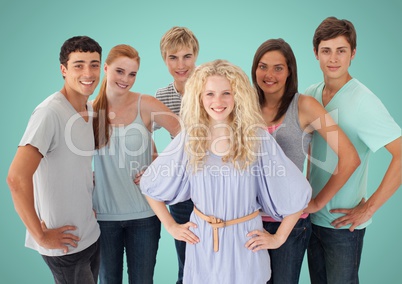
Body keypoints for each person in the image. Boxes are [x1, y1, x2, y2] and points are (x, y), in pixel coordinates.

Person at [140, 59, 312, 283]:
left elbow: (297, 193)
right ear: (200, 98)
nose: (218, 101)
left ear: (237, 96)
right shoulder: (190, 138)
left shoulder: (256, 138)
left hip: (245, 243)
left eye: (226, 93)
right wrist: (171, 226)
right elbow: (150, 185)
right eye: (209, 94)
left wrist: (278, 238)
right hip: (203, 244)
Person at [248, 38, 360, 284]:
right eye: (263, 66)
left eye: (279, 67)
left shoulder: (305, 106)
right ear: (254, 68)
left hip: (288, 226)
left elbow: (350, 157)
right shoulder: (245, 106)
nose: (269, 74)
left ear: (289, 71)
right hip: (248, 220)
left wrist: (318, 201)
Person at [305, 16, 401, 284]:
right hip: (311, 220)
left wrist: (369, 208)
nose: (333, 59)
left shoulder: (364, 102)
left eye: (341, 50)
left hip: (343, 226)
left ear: (353, 54)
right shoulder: (311, 94)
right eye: (326, 50)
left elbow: (401, 154)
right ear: (315, 53)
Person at [6, 36, 102, 284]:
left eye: (94, 64)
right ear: (63, 70)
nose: (88, 72)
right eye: (78, 65)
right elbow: (16, 178)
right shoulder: (49, 113)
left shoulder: (89, 111)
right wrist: (40, 235)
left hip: (90, 233)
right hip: (65, 245)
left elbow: (74, 166)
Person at [91, 44, 180, 284]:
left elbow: (188, 138)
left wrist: (160, 169)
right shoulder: (88, 111)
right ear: (106, 69)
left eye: (132, 74)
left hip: (145, 215)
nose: (125, 79)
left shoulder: (146, 104)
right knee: (109, 280)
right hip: (103, 217)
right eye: (120, 71)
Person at [154, 26, 199, 284]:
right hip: (181, 192)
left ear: (196, 56)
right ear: (164, 60)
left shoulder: (210, 89)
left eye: (187, 56)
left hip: (214, 185)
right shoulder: (163, 96)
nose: (181, 64)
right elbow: (140, 129)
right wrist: (154, 164)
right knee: (186, 265)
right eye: (173, 57)